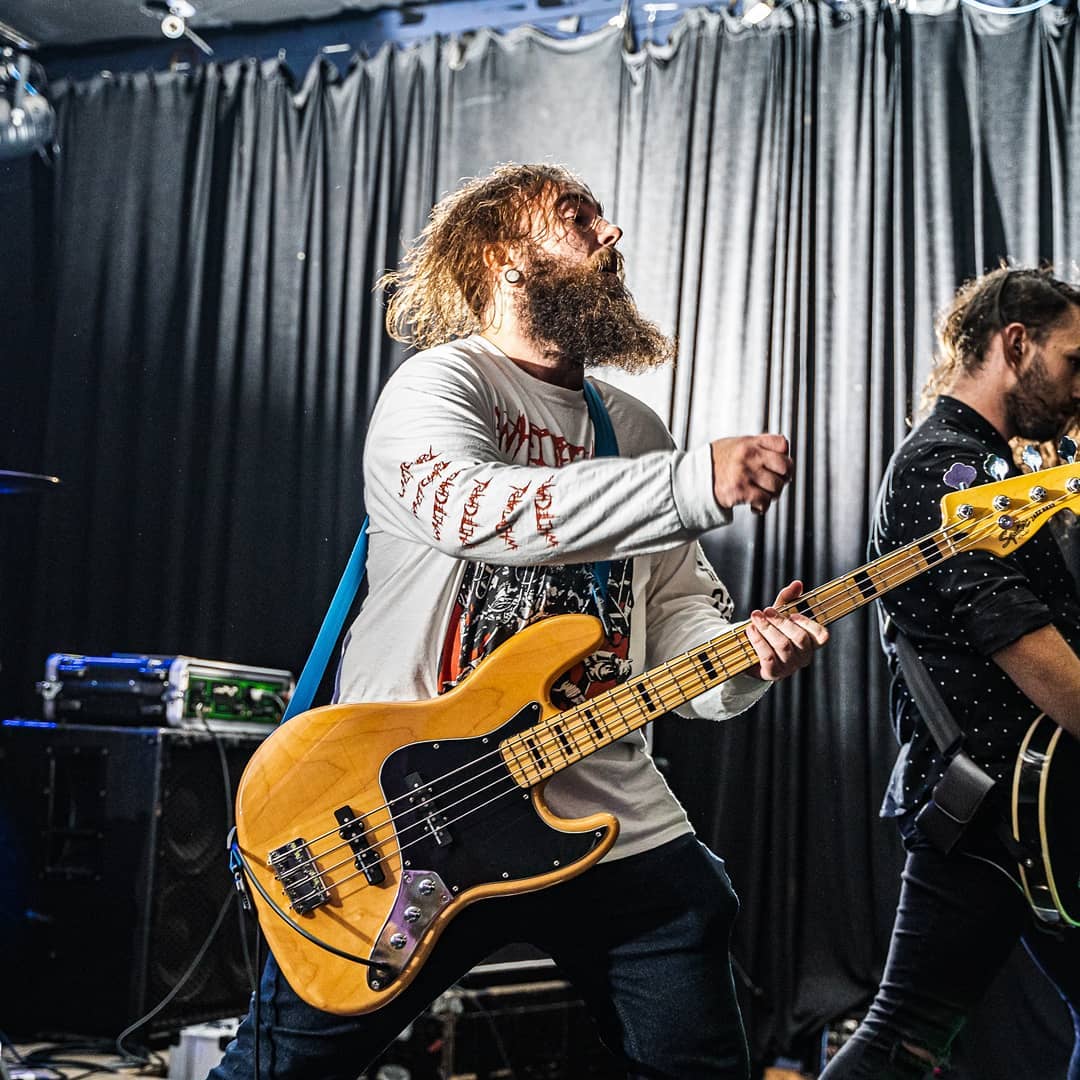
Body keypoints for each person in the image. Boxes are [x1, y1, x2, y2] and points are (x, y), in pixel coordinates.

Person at [210, 162, 827, 1080]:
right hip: (408, 809)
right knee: (284, 1069)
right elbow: (474, 510)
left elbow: (677, 614)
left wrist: (742, 659)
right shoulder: (439, 388)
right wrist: (693, 482)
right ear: (505, 258)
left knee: (696, 984)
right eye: (579, 219)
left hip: (603, 806)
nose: (610, 235)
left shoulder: (633, 425)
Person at [820, 266, 1080, 1079]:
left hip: (1033, 805)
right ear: (1015, 344)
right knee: (901, 1040)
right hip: (991, 814)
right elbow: (1025, 643)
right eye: (1075, 362)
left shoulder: (999, 470)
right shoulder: (949, 468)